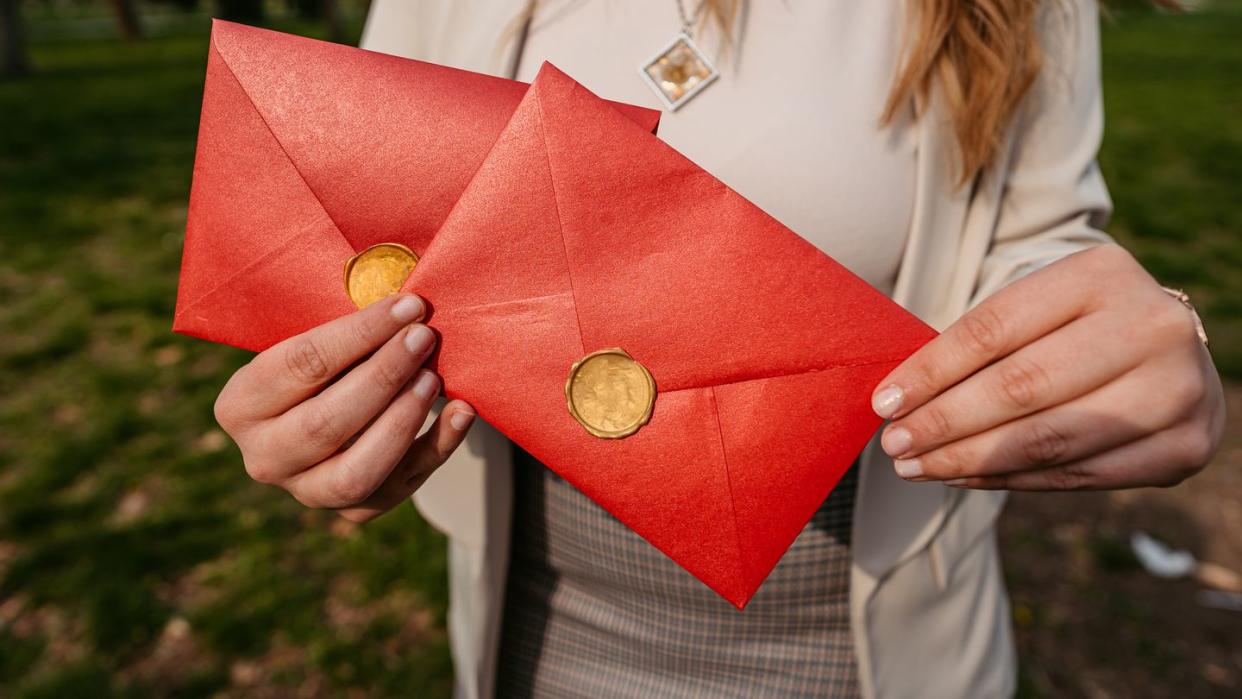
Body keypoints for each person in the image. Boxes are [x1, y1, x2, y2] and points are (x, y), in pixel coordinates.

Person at [210, 1, 1226, 696]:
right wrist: (335, 407)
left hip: (862, 640)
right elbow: (369, 204)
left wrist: (1125, 333)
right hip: (536, 617)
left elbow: (1037, 236)